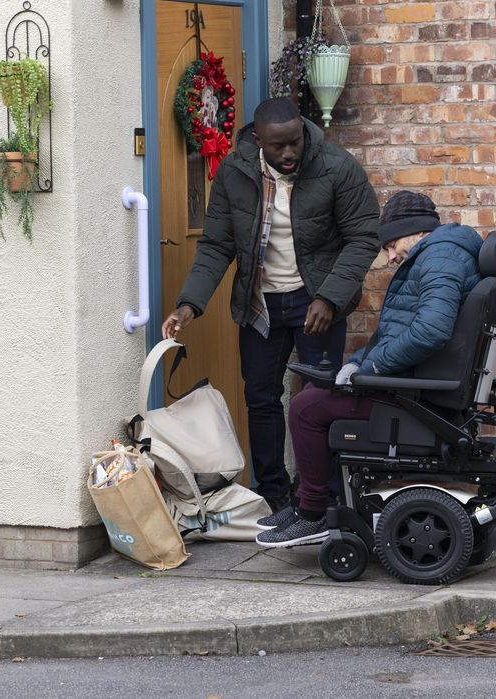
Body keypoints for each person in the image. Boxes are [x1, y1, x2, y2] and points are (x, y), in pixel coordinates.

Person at [161, 97, 380, 513]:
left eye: (295, 142)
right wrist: (190, 304)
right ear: (258, 141)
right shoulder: (234, 171)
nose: (289, 153)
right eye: (278, 146)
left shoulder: (336, 167)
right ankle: (272, 492)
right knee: (260, 397)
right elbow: (216, 244)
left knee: (318, 397)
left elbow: (363, 237)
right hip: (260, 303)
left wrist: (329, 298)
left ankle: (320, 492)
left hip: (317, 300)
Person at [256, 190, 485, 547]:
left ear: (417, 232)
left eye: (392, 244)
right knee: (315, 390)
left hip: (417, 397)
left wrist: (374, 366)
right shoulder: (441, 253)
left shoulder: (440, 256)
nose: (391, 256)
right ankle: (305, 502)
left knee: (304, 408)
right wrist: (357, 363)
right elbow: (396, 332)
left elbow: (431, 329)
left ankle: (314, 512)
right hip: (412, 384)